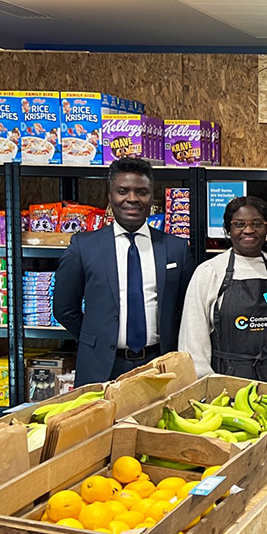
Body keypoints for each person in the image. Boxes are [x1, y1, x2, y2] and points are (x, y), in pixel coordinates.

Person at [55, 157, 195, 386]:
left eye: (141, 192)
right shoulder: (84, 247)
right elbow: (64, 308)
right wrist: (96, 341)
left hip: (160, 365)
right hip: (100, 367)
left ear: (151, 197)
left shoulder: (176, 249)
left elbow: (186, 309)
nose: (132, 199)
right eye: (123, 191)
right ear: (110, 196)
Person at [178, 196, 267, 386]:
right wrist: (212, 388)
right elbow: (193, 342)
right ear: (228, 229)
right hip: (224, 384)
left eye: (257, 223)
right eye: (239, 224)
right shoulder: (209, 273)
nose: (248, 230)